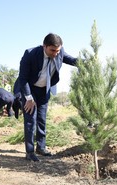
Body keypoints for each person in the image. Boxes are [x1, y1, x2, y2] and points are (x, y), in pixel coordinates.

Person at [17, 33, 78, 162]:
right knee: (30, 120)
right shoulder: (30, 54)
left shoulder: (59, 52)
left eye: (58, 50)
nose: (56, 54)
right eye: (53, 50)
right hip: (30, 89)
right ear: (44, 46)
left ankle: (41, 147)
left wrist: (87, 63)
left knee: (41, 119)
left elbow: (72, 60)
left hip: (44, 89)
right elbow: (23, 78)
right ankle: (29, 152)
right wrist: (28, 98)